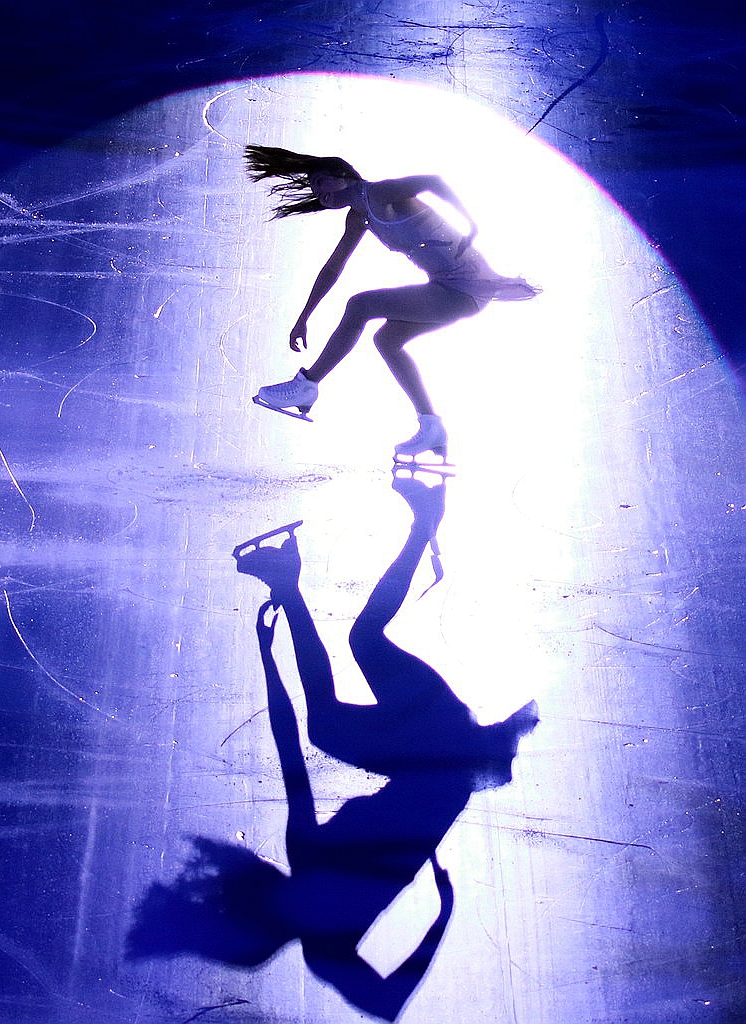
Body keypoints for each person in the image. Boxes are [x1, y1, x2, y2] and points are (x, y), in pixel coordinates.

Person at [127, 476, 538, 1020]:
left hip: (432, 760)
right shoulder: (322, 928)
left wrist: (439, 916)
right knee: (362, 646)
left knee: (332, 712)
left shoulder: (320, 920)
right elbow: (387, 1006)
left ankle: (291, 580)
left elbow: (290, 750)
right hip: (440, 752)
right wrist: (439, 919)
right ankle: (421, 523)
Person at [245, 144, 540, 459]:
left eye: (320, 182)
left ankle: (308, 384)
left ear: (342, 176)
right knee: (387, 340)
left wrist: (470, 222)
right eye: (314, 189)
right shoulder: (358, 218)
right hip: (448, 289)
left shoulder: (380, 193)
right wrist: (303, 317)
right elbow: (333, 268)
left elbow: (433, 181)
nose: (319, 194)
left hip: (465, 287)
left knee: (360, 306)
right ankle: (431, 426)